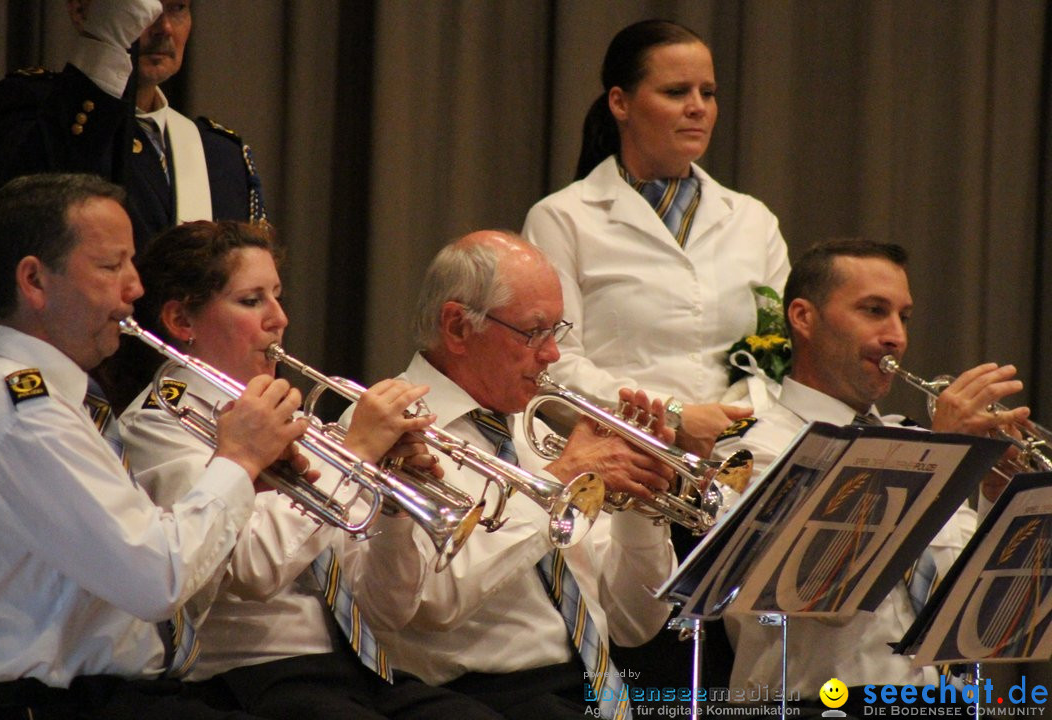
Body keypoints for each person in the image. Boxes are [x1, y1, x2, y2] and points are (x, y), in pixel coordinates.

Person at [117, 219, 505, 720]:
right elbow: (253, 570)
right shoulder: (158, 424)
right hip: (253, 675)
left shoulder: (293, 417)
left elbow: (387, 608)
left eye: (277, 295)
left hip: (362, 667)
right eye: (252, 300)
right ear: (181, 320)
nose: (279, 318)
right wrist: (357, 454)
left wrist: (393, 507)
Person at [0, 173, 307, 719]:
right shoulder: (22, 411)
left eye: (132, 264)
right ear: (34, 281)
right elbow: (158, 578)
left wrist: (254, 478)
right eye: (110, 266)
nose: (135, 288)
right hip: (63, 703)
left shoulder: (63, 401)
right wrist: (238, 461)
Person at [342, 230, 679, 720]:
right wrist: (560, 482)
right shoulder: (383, 428)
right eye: (534, 332)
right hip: (476, 699)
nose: (553, 355)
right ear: (457, 327)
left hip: (597, 690)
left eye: (556, 331)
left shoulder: (529, 427)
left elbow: (635, 623)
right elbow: (431, 603)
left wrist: (643, 503)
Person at [712, 238, 1025, 712]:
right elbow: (824, 595)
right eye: (874, 310)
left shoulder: (915, 442)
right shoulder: (750, 446)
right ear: (803, 317)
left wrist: (997, 500)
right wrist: (944, 458)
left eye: (904, 316)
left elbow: (981, 614)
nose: (896, 335)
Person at [522, 19, 790, 458]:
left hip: (739, 456)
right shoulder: (562, 218)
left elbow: (779, 354)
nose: (698, 107)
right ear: (620, 103)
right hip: (616, 461)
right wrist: (674, 416)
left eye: (708, 93)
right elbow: (554, 365)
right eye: (676, 92)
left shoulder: (753, 221)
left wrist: (730, 420)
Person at [0, 0, 263, 253]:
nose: (163, 27)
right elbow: (27, 208)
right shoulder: (34, 108)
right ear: (79, 10)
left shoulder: (222, 154)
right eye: (143, 10)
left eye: (177, 8)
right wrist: (103, 46)